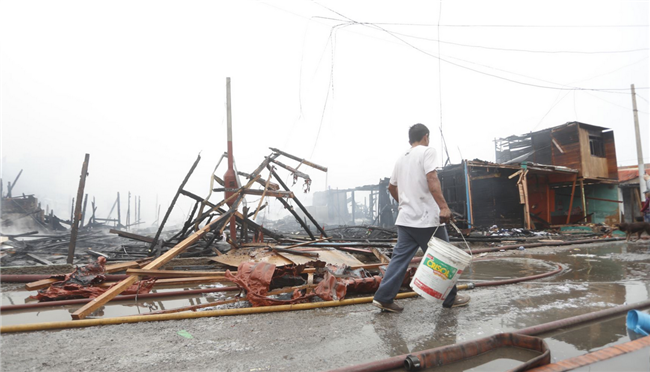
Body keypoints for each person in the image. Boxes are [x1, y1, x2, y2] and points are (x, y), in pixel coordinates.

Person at [372, 123, 470, 313]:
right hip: (427, 220)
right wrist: (443, 207)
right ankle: (451, 298)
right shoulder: (427, 151)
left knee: (399, 260)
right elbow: (432, 178)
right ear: (426, 137)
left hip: (406, 220)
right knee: (445, 258)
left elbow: (391, 187)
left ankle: (383, 298)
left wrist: (404, 203)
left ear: (411, 139)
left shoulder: (401, 158)